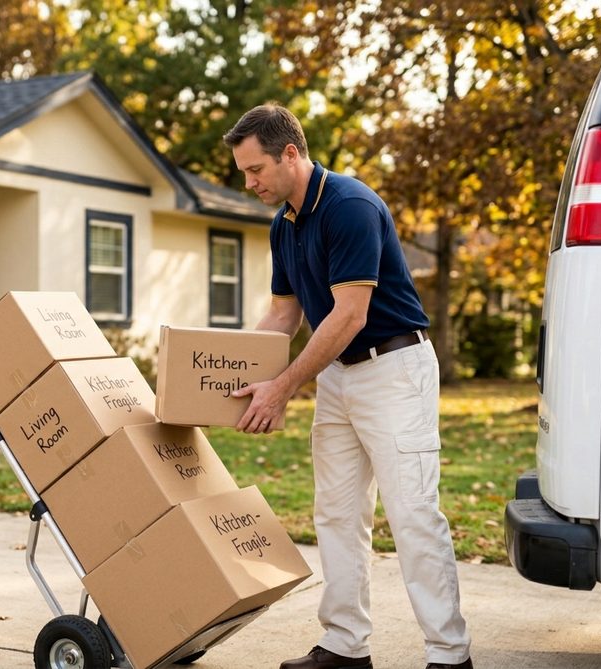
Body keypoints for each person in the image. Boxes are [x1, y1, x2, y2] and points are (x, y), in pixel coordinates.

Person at [223, 105, 472, 669]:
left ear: (291, 153)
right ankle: (344, 646)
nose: (249, 182)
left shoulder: (350, 206)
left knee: (412, 515)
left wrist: (283, 386)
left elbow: (348, 315)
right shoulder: (282, 223)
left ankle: (450, 655)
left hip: (393, 370)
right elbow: (285, 315)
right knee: (336, 514)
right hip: (337, 376)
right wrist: (222, 375)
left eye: (255, 168)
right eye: (242, 171)